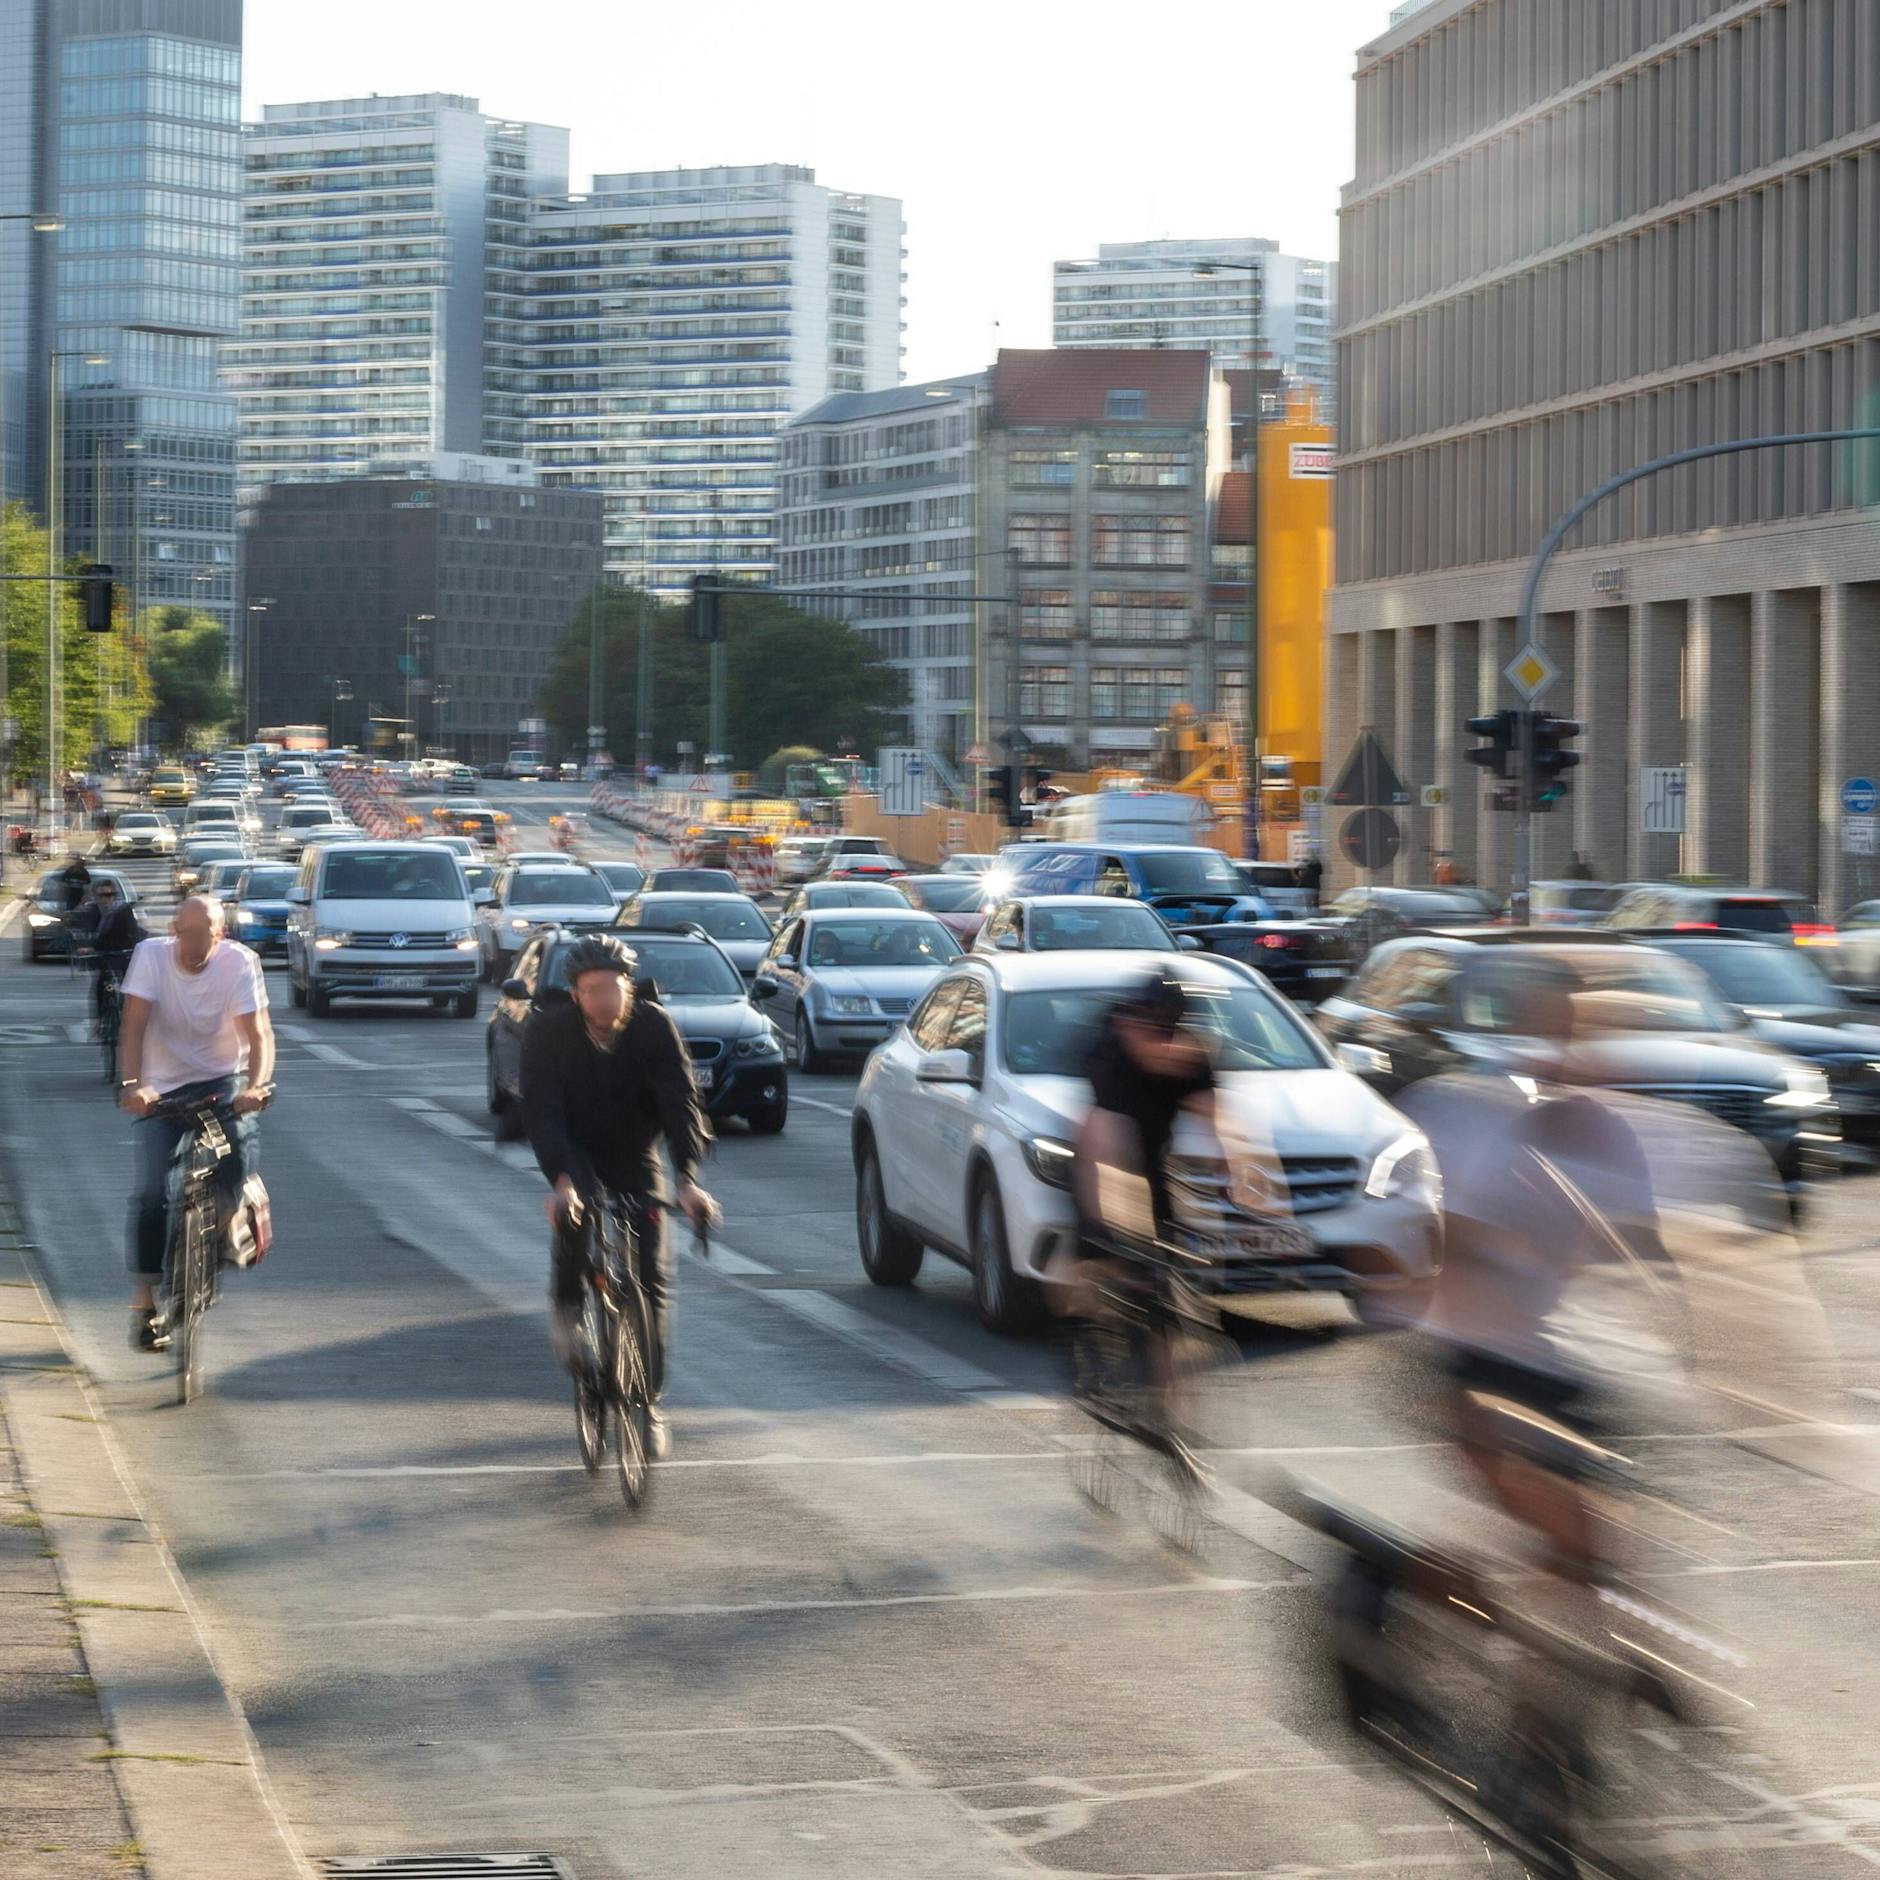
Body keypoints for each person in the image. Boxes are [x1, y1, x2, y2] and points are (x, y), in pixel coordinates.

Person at [521, 934, 718, 1458]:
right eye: (591, 990)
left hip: (635, 1153)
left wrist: (688, 1179)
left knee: (651, 1278)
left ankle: (648, 1402)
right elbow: (541, 1112)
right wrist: (562, 1181)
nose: (603, 1000)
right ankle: (567, 1311)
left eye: (612, 988)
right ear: (575, 993)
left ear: (628, 987)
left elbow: (681, 1103)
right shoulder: (548, 1030)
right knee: (575, 1221)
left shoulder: (653, 1026)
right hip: (575, 1152)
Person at [117, 897, 275, 1353]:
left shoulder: (240, 963)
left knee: (237, 1156)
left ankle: (225, 1226)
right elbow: (134, 1026)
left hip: (222, 1080)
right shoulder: (151, 957)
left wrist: (257, 1087)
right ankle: (145, 1302)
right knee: (151, 1192)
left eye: (204, 935)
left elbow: (258, 1034)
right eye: (186, 934)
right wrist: (134, 1085)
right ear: (174, 930)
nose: (194, 944)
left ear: (220, 934)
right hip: (160, 1087)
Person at [78, 879, 145, 1031]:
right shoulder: (92, 910)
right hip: (103, 952)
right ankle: (100, 1020)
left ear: (115, 896)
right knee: (100, 984)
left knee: (129, 985)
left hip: (123, 951)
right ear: (95, 896)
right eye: (102, 895)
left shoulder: (123, 910)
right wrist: (85, 946)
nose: (106, 899)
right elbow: (86, 930)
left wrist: (137, 948)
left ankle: (131, 1018)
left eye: (110, 895)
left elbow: (133, 931)